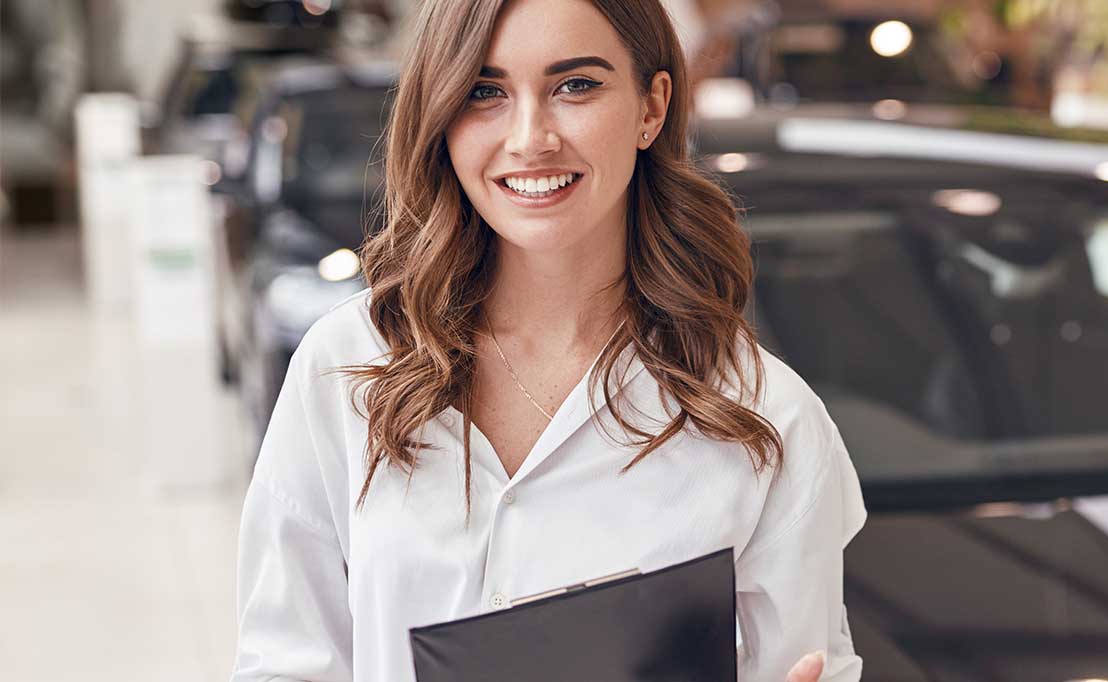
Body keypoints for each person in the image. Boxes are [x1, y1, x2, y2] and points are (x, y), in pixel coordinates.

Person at [229, 0, 862, 680]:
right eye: (484, 92)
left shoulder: (766, 419)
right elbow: (286, 661)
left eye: (575, 85)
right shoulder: (347, 366)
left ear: (652, 107)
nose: (531, 138)